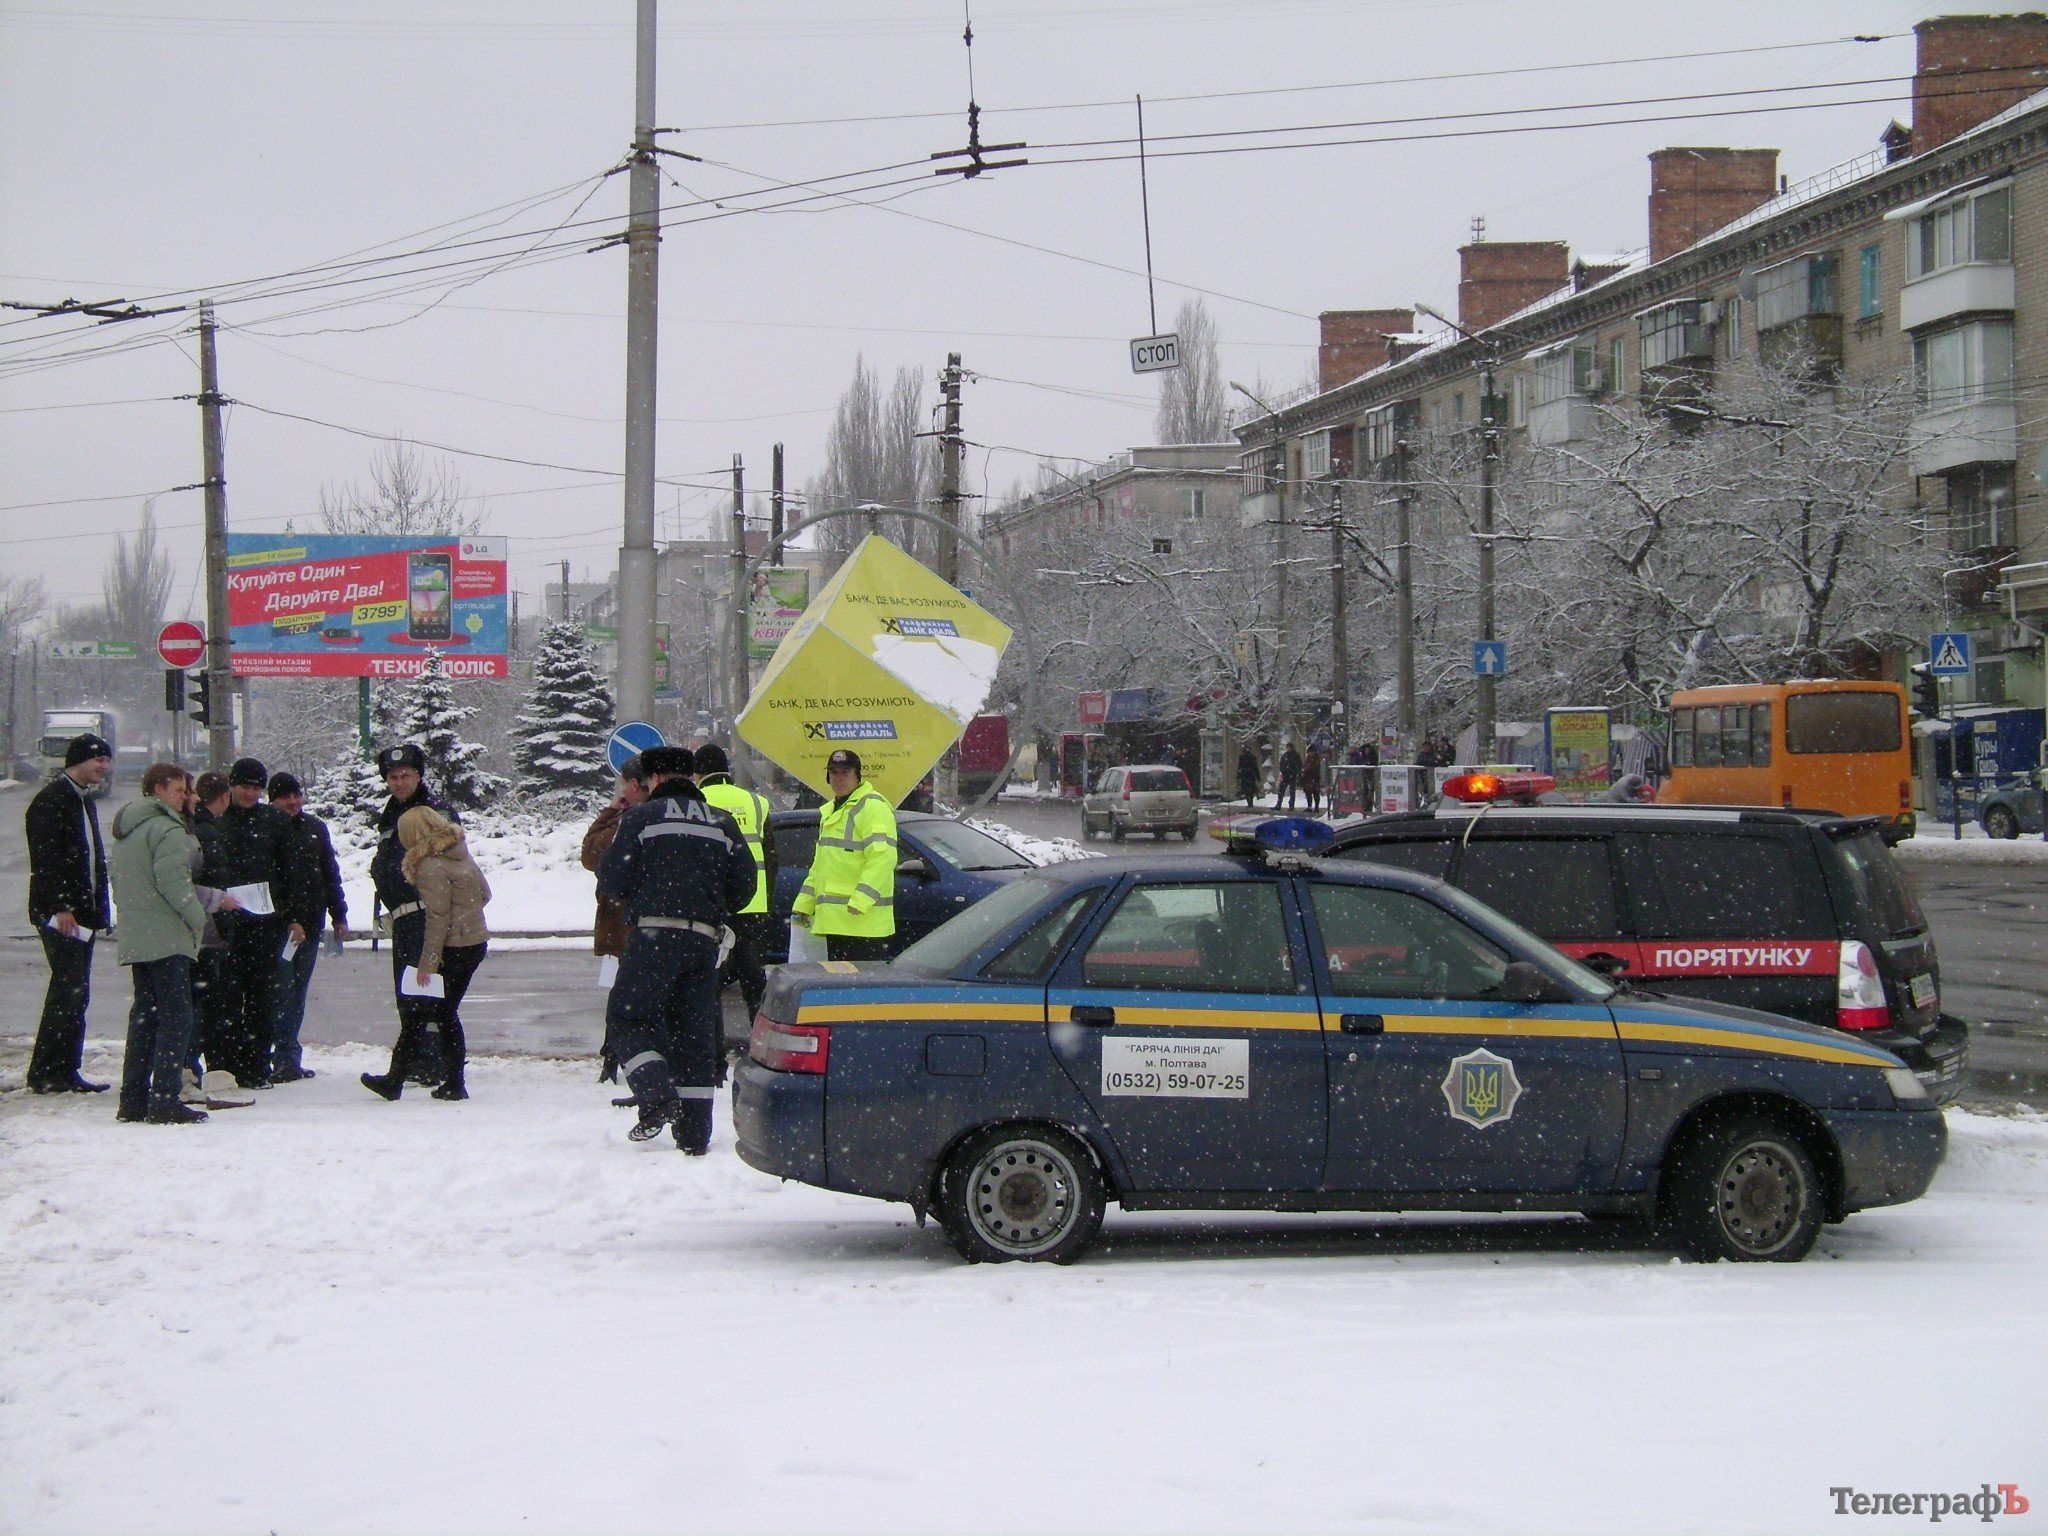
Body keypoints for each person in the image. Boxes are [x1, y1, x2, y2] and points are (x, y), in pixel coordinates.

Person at [596, 745, 755, 1149]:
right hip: (703, 940)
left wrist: (644, 893)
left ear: (655, 779)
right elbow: (745, 886)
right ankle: (695, 1135)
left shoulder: (640, 817)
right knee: (695, 1033)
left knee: (628, 1017)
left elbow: (612, 878)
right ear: (693, 778)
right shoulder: (721, 822)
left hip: (653, 936)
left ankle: (655, 1093)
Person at [361, 806, 489, 1101]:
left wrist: (427, 964)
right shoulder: (459, 851)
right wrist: (466, 918)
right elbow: (484, 893)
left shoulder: (430, 865)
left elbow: (437, 918)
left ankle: (437, 1082)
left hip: (452, 948)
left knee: (427, 1013)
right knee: (437, 1014)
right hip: (474, 943)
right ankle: (413, 1080)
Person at [108, 765, 212, 1124]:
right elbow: (174, 883)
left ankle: (132, 1098)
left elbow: (117, 880)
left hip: (138, 934)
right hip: (166, 935)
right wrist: (197, 919)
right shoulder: (167, 829)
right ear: (157, 789)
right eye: (179, 790)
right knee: (176, 1016)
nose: (185, 797)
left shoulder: (127, 829)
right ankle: (165, 1098)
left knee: (144, 1017)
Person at [24, 733, 113, 1094]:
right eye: (98, 760)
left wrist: (98, 908)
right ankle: (47, 1070)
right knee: (68, 990)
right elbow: (47, 860)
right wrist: (61, 906)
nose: (104, 767)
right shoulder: (52, 801)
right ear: (77, 761)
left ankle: (64, 1069)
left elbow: (90, 859)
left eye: (106, 760)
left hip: (82, 912)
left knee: (76, 992)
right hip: (62, 915)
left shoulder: (82, 799)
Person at [210, 757, 304, 1088]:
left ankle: (256, 1066)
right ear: (231, 786)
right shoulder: (218, 820)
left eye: (256, 788)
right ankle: (224, 1064)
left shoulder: (274, 822)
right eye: (244, 786)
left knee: (263, 997)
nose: (250, 793)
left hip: (265, 922)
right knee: (225, 996)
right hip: (226, 922)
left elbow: (290, 872)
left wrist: (292, 916)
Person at [368, 743, 458, 1088]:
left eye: (406, 775)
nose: (399, 782)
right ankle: (417, 1058)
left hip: (426, 914)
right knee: (408, 991)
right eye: (393, 777)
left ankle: (432, 1060)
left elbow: (448, 857)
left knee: (427, 989)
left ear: (419, 775)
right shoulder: (391, 812)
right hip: (403, 917)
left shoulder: (433, 811)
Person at [267, 771, 349, 1083]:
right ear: (273, 800)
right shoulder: (268, 830)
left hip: (311, 926)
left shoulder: (315, 829)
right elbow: (273, 883)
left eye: (295, 795)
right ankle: (275, 1056)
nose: (292, 802)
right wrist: (289, 919)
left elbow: (330, 873)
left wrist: (338, 914)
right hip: (280, 929)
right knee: (281, 992)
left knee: (297, 993)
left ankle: (288, 1057)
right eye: (284, 797)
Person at [692, 742, 775, 1020]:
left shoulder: (696, 803)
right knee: (753, 979)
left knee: (709, 980)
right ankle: (760, 1037)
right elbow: (771, 859)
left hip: (714, 906)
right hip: (754, 905)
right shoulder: (756, 802)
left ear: (698, 772)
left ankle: (711, 1044)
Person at [791, 748, 897, 962]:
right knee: (840, 989)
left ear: (858, 776)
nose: (838, 778)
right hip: (835, 923)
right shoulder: (831, 812)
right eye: (834, 772)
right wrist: (804, 904)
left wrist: (861, 900)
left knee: (858, 992)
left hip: (863, 925)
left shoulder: (872, 806)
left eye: (845, 773)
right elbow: (820, 866)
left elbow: (883, 859)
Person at [580, 754, 649, 966]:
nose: (622, 790)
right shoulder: (661, 814)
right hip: (647, 926)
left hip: (624, 924)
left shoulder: (627, 821)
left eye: (624, 783)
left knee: (627, 989)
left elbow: (590, 854)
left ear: (634, 784)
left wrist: (610, 811)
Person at [188, 770, 233, 1082]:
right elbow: (202, 877)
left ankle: (192, 1065)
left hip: (200, 925)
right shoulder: (204, 829)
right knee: (202, 1003)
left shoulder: (195, 827)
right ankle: (193, 1066)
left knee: (197, 1001)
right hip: (206, 927)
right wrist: (220, 901)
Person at [1276, 740, 1303, 810]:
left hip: (1292, 776)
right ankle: (1278, 804)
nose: (1288, 749)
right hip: (1285, 775)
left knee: (1292, 791)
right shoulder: (1285, 755)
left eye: (1289, 748)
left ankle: (1291, 805)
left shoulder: (1296, 755)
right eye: (1287, 748)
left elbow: (1299, 765)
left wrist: (1294, 772)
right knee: (1281, 791)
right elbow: (1281, 764)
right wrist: (1283, 770)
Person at [1235, 742, 1260, 808]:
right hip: (1251, 775)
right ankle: (1250, 801)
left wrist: (1239, 775)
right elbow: (1256, 767)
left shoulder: (1242, 757)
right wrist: (1258, 776)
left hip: (1245, 775)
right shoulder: (1252, 757)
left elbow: (1240, 767)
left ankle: (1249, 802)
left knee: (1246, 790)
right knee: (1251, 789)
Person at [1302, 743, 1324, 814]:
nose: (1310, 754)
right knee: (1308, 793)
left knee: (1315, 793)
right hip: (1308, 778)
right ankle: (1309, 806)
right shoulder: (1308, 758)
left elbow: (1314, 767)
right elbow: (1305, 765)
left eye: (1311, 752)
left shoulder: (1317, 758)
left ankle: (1316, 806)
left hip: (1314, 777)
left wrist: (1306, 770)